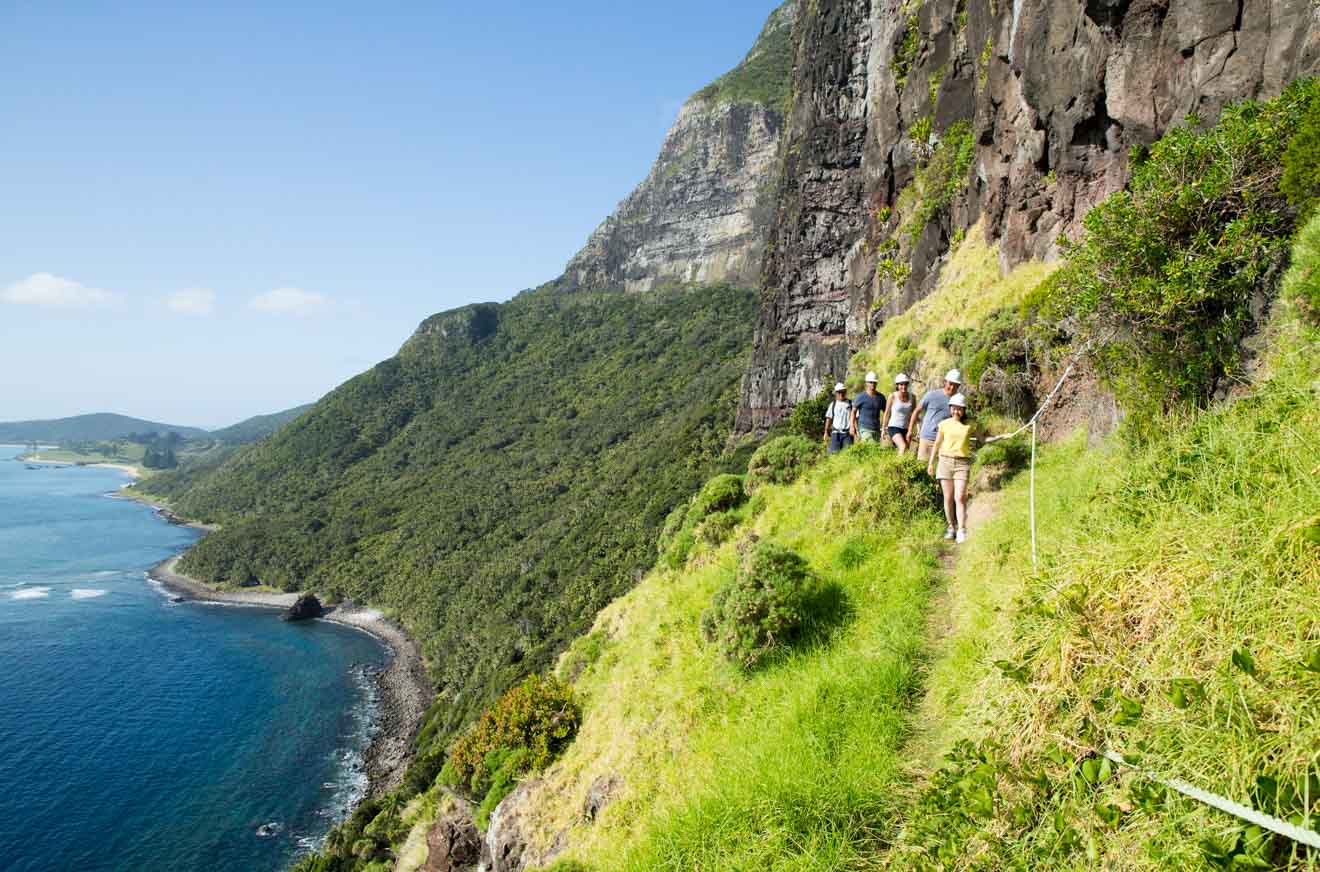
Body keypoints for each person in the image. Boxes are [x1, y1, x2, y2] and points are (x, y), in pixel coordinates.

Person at [927, 393, 972, 543]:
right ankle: (951, 527)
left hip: (962, 463)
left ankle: (962, 529)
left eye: (960, 409)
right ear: (950, 408)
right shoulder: (944, 424)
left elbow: (983, 439)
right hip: (945, 461)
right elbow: (937, 444)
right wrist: (931, 463)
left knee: (960, 497)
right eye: (954, 408)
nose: (956, 411)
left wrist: (1002, 436)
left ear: (964, 410)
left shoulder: (969, 425)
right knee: (947, 497)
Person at [909, 368, 962, 463]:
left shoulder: (958, 402)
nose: (952, 387)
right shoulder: (932, 395)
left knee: (938, 472)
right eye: (950, 384)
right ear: (945, 382)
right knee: (922, 467)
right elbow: (916, 411)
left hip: (944, 441)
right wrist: (910, 431)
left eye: (956, 385)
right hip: (926, 438)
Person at [882, 373, 915, 453]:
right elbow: (887, 413)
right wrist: (883, 429)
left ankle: (896, 464)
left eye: (905, 384)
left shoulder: (912, 397)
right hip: (894, 427)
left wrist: (917, 428)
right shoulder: (893, 396)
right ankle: (898, 466)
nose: (903, 387)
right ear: (897, 385)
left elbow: (914, 414)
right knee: (902, 446)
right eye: (901, 384)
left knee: (905, 450)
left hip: (906, 428)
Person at [852, 372, 886, 443]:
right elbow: (853, 411)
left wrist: (884, 426)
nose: (873, 384)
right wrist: (852, 426)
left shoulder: (881, 397)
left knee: (875, 450)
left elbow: (886, 412)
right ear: (866, 383)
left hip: (876, 428)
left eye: (874, 382)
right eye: (870, 382)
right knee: (869, 446)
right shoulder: (860, 397)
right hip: (864, 428)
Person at [823, 382, 854, 454]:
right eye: (839, 392)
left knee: (848, 454)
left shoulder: (851, 403)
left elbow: (855, 418)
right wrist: (826, 432)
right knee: (834, 454)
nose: (841, 394)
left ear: (845, 392)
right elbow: (829, 419)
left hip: (847, 434)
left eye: (842, 392)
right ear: (836, 393)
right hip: (835, 434)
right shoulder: (833, 405)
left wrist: (856, 431)